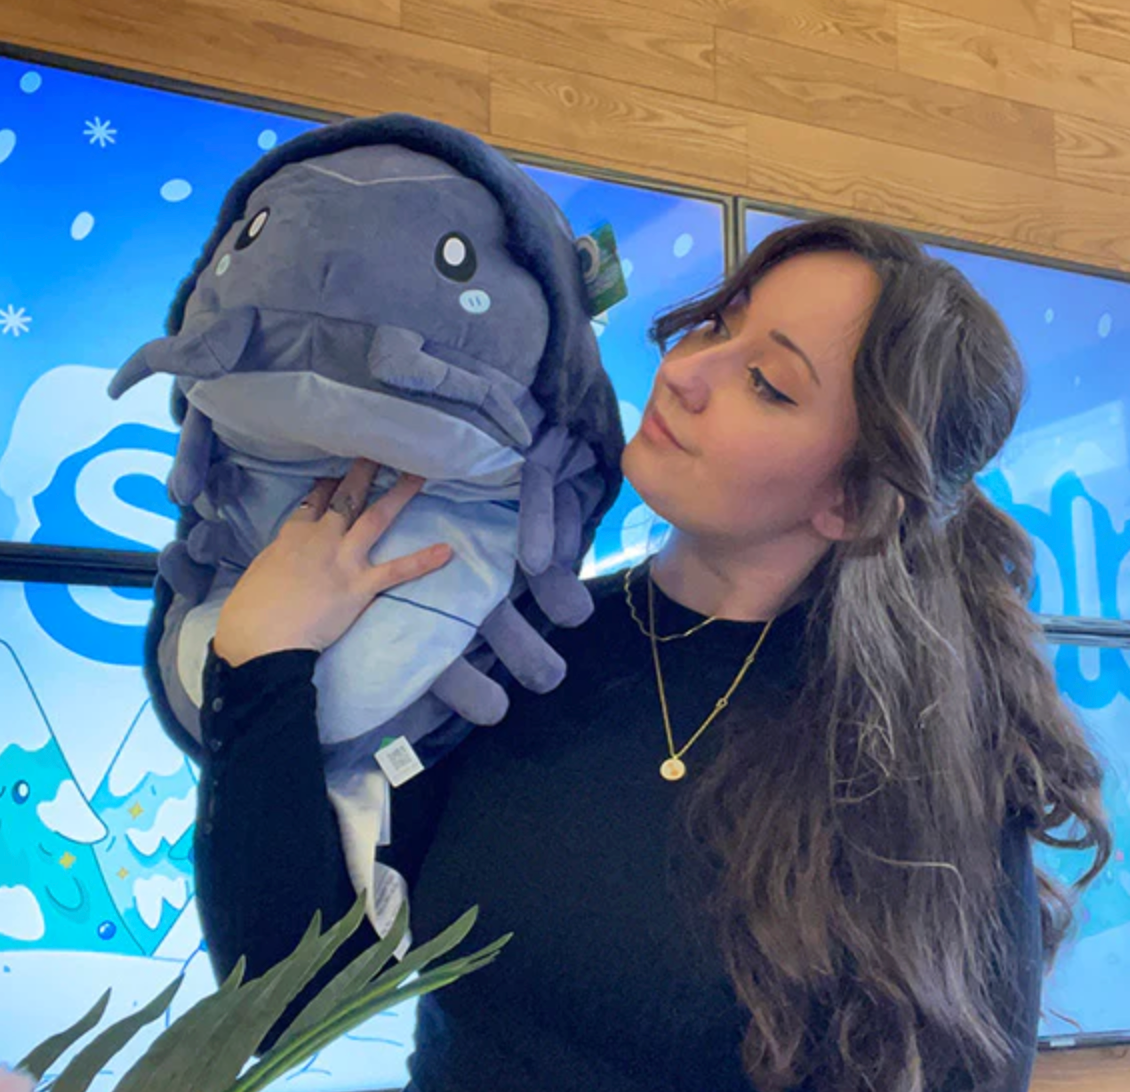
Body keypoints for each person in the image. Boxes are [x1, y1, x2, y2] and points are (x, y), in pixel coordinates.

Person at [193, 217, 1111, 1092]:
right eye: (717, 323)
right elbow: (287, 993)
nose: (686, 372)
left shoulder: (923, 761)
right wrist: (262, 659)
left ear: (853, 503)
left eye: (770, 383)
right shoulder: (515, 649)